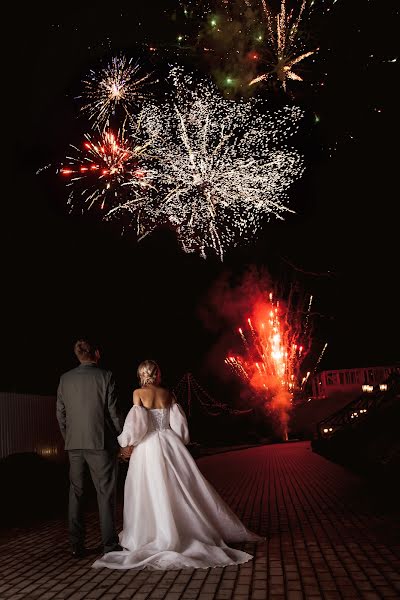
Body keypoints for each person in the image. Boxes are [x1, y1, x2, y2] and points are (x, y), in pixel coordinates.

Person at [93, 359, 263, 571]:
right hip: (170, 444)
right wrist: (177, 438)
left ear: (142, 374)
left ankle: (153, 532)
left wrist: (126, 443)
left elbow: (137, 427)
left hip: (148, 447)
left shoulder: (138, 393)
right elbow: (181, 429)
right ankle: (185, 528)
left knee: (150, 488)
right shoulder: (168, 394)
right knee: (178, 487)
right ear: (157, 374)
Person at [56, 339, 131, 558]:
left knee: (76, 493)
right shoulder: (105, 376)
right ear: (96, 353)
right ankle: (109, 545)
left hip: (74, 444)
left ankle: (76, 545)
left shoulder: (65, 379)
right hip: (100, 443)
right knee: (105, 493)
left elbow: (60, 414)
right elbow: (114, 413)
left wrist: (69, 437)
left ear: (78, 355)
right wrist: (123, 439)